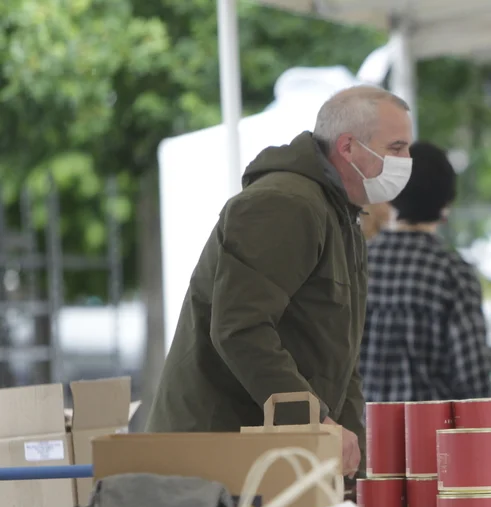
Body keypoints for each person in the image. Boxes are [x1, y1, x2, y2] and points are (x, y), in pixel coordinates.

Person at [145, 86, 414, 476]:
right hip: (218, 456)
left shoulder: (340, 215)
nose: (406, 161)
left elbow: (342, 362)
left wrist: (355, 467)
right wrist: (315, 423)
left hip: (272, 456)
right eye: (396, 148)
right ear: (348, 147)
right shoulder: (285, 204)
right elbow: (241, 328)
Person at [359, 141, 491, 402]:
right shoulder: (453, 273)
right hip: (433, 425)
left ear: (391, 194)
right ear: (446, 204)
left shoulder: (355, 262)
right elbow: (473, 379)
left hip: (362, 424)